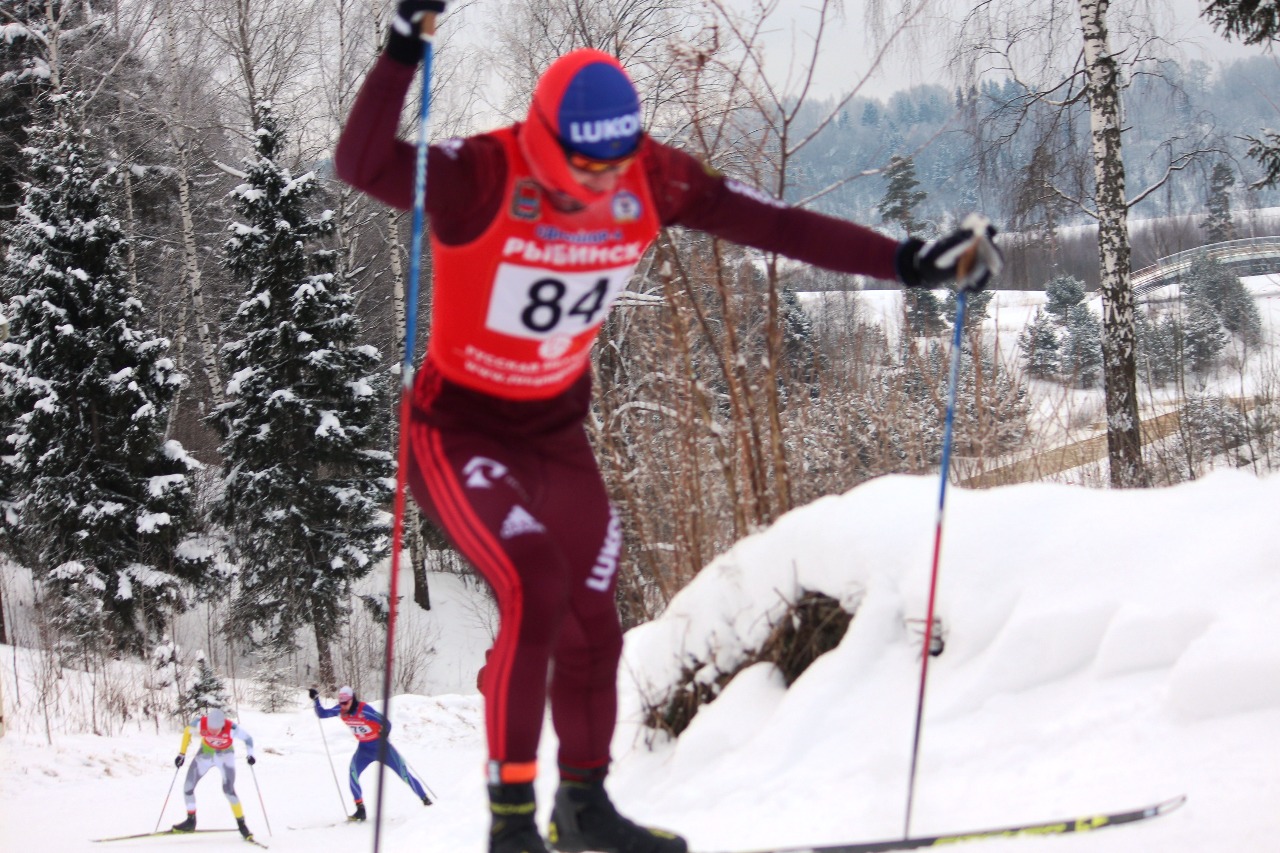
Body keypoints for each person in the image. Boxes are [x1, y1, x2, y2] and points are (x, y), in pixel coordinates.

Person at [335, 4, 1001, 851]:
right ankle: (508, 823)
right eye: (581, 165)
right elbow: (359, 163)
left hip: (556, 426)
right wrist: (401, 49)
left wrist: (910, 261)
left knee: (592, 615)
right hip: (458, 427)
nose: (598, 185)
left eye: (614, 166)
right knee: (533, 579)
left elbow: (777, 224)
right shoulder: (483, 174)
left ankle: (582, 805)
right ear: (543, 136)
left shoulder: (650, 175)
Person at [310, 685, 432, 821]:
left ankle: (426, 800)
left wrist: (384, 733)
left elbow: (386, 723)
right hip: (364, 750)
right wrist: (316, 699)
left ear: (352, 699)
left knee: (404, 774)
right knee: (353, 773)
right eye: (341, 702)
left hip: (382, 749)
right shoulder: (340, 710)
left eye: (345, 702)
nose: (343, 705)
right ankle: (360, 809)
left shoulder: (364, 710)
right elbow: (322, 714)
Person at [171, 706, 256, 840]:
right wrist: (181, 754)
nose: (212, 732)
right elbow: (187, 731)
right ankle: (190, 821)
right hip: (206, 753)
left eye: (216, 730)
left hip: (225, 756)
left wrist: (250, 755)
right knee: (188, 787)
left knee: (228, 790)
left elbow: (248, 739)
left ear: (222, 725)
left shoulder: (231, 728)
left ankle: (242, 825)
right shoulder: (200, 723)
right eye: (210, 729)